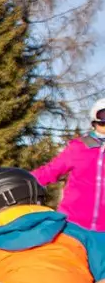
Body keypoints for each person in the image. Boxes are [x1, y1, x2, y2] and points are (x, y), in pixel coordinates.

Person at [33, 98, 105, 230]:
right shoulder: (78, 148)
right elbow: (50, 171)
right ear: (94, 123)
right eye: (103, 124)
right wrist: (22, 179)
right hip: (74, 224)